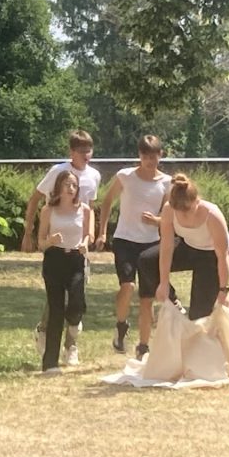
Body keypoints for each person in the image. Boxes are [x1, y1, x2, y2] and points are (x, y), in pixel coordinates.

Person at [22, 130, 100, 361]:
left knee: (76, 298)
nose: (86, 155)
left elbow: (90, 208)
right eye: (82, 150)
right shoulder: (57, 171)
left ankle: (71, 345)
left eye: (89, 150)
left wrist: (90, 236)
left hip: (78, 244)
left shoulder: (94, 175)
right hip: (55, 242)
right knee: (56, 299)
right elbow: (35, 199)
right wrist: (29, 232)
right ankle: (45, 330)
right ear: (71, 152)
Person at [96, 134, 173, 358]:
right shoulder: (125, 176)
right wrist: (102, 232)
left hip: (151, 244)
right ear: (139, 155)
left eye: (154, 156)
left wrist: (157, 221)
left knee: (147, 298)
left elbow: (168, 216)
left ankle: (143, 347)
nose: (150, 161)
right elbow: (107, 201)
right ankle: (121, 325)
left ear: (160, 155)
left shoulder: (166, 182)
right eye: (145, 156)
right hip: (125, 240)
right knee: (128, 286)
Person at [141, 173, 229, 346]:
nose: (183, 215)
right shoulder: (169, 209)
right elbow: (166, 246)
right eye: (178, 211)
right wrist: (163, 283)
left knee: (199, 317)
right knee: (146, 261)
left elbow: (222, 256)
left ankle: (207, 351)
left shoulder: (212, 215)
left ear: (197, 201)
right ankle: (174, 302)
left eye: (187, 210)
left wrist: (224, 291)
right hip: (189, 246)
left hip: (211, 256)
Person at [36, 170, 93, 374]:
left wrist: (85, 244)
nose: (71, 188)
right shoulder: (48, 210)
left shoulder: (84, 210)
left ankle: (74, 324)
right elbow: (41, 242)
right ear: (58, 187)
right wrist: (50, 241)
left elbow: (88, 235)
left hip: (76, 259)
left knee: (77, 302)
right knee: (56, 310)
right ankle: (50, 363)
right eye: (67, 184)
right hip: (54, 260)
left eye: (74, 185)